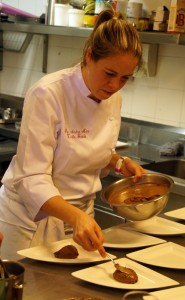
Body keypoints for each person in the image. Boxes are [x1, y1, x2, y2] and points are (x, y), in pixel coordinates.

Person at [0, 8, 145, 260]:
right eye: (109, 74)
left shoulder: (113, 99)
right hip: (31, 223)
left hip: (81, 221)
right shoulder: (48, 94)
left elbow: (86, 150)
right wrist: (75, 216)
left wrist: (120, 162)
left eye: (125, 78)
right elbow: (31, 178)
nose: (114, 86)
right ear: (90, 56)